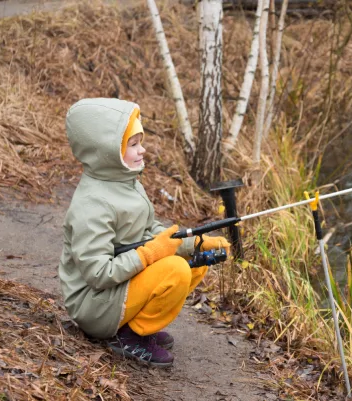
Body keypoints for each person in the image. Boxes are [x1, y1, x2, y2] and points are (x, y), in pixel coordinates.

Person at [58, 98, 230, 367]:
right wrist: (150, 254)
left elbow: (149, 231)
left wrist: (194, 244)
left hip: (115, 293)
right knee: (175, 270)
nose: (143, 150)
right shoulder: (92, 205)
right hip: (93, 306)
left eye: (141, 142)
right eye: (133, 144)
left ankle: (138, 324)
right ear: (106, 150)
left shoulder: (127, 184)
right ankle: (129, 336)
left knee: (191, 263)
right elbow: (98, 273)